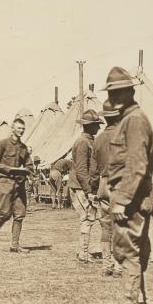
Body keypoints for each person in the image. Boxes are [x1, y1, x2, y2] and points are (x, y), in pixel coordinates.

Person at [99, 66, 153, 304]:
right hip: (137, 198)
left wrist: (121, 200)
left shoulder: (134, 121)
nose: (111, 100)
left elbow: (136, 164)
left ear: (125, 94)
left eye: (114, 94)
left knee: (128, 255)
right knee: (142, 256)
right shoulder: (133, 119)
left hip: (131, 202)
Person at [0, 118, 33, 253]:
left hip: (19, 184)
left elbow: (29, 164)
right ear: (12, 128)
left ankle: (14, 245)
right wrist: (10, 169)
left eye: (23, 129)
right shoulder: (3, 144)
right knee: (4, 214)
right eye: (19, 128)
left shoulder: (23, 148)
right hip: (5, 182)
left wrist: (27, 170)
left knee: (20, 214)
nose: (21, 131)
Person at [92, 100, 123, 277]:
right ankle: (118, 265)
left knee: (105, 227)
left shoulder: (98, 140)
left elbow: (93, 170)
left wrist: (93, 190)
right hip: (119, 184)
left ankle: (106, 265)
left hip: (103, 185)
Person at [69, 109, 103, 264]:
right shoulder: (82, 142)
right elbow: (82, 169)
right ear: (89, 126)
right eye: (96, 125)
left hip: (86, 186)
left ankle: (83, 251)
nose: (98, 128)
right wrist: (88, 191)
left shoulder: (90, 141)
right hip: (80, 187)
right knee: (87, 218)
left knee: (91, 217)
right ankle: (83, 252)